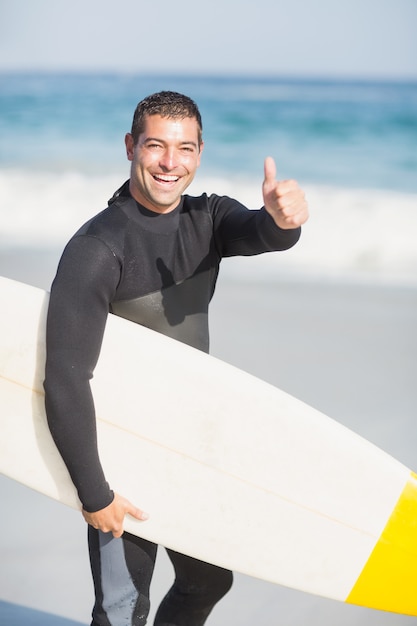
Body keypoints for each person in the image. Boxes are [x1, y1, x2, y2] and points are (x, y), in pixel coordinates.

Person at [44, 91, 309, 626]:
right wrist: (96, 495)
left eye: (185, 148)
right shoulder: (97, 249)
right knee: (121, 608)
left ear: (200, 152)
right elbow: (65, 381)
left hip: (191, 445)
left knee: (209, 579)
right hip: (122, 456)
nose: (171, 162)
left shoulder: (207, 217)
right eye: (156, 146)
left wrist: (284, 221)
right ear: (130, 147)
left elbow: (261, 233)